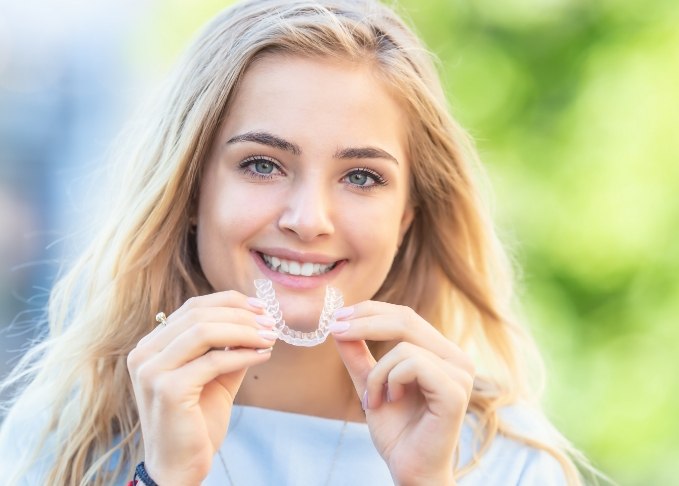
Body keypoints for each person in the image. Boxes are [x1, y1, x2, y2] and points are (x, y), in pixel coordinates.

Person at [0, 0, 597, 484]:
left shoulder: (510, 464)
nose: (309, 219)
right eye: (262, 164)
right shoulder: (59, 442)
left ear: (408, 216)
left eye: (361, 176)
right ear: (189, 192)